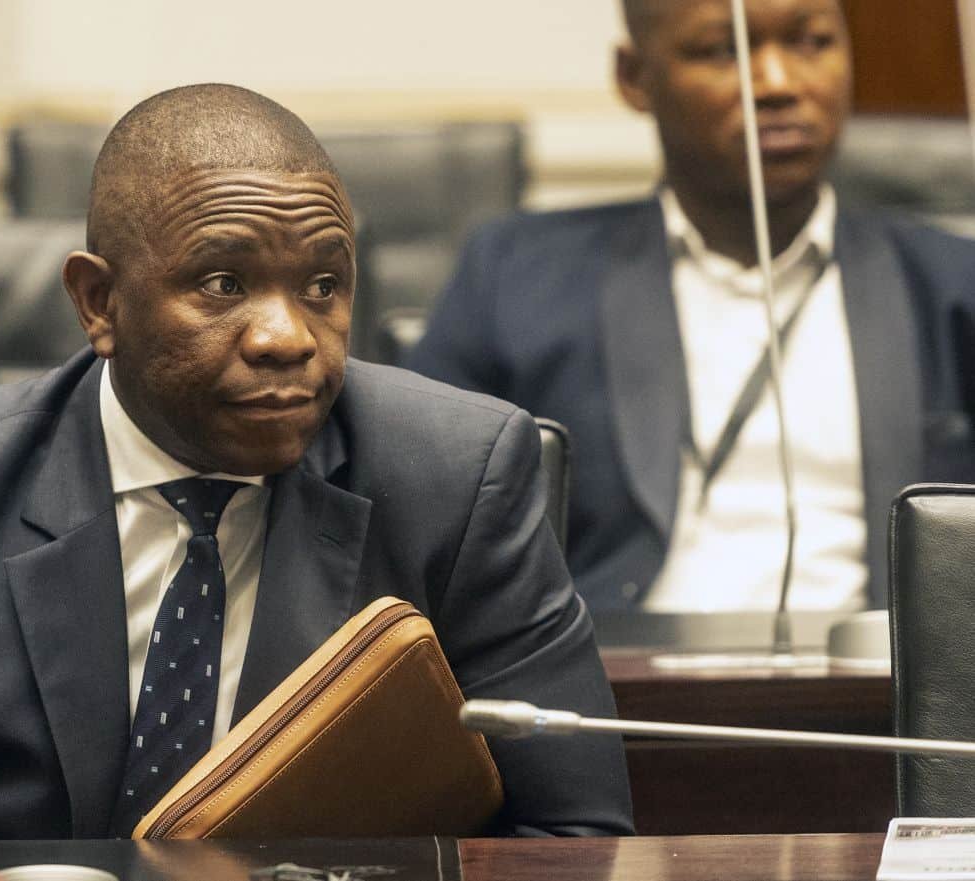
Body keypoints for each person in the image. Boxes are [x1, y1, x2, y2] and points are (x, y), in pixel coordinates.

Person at [0, 83, 633, 841]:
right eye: (223, 285)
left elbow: (572, 836)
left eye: (324, 286)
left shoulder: (460, 478)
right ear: (98, 301)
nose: (288, 337)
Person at [408, 0, 975, 612]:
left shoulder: (951, 283)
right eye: (722, 51)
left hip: (883, 690)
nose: (779, 84)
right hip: (617, 689)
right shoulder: (515, 275)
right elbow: (418, 520)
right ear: (635, 77)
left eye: (812, 43)